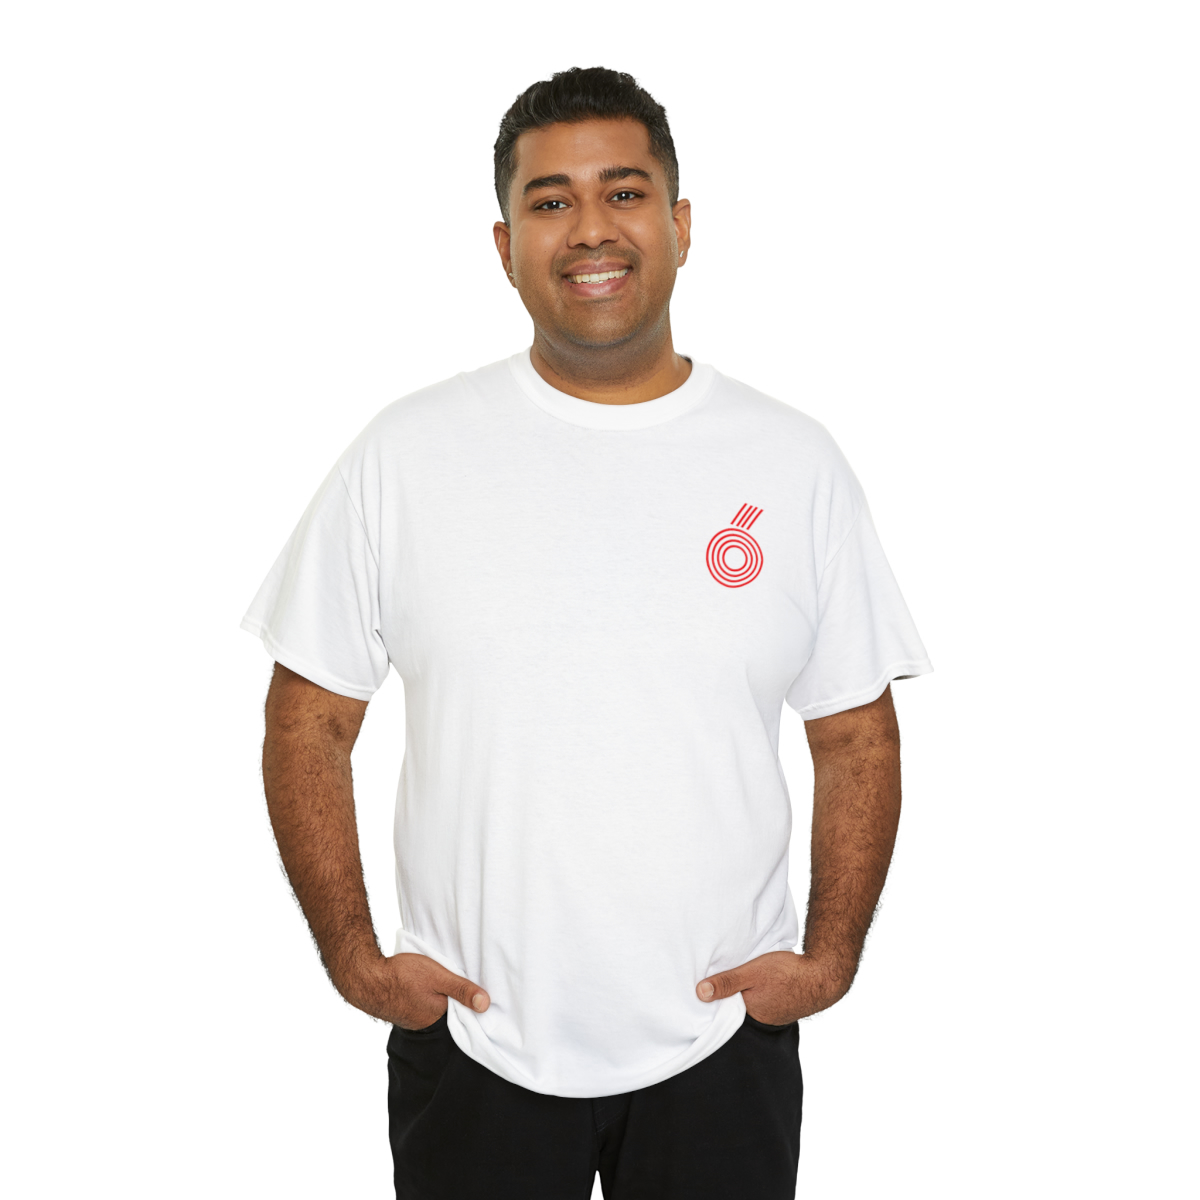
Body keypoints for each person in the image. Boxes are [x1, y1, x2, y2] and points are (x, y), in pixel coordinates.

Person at [242, 66, 931, 1200]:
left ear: (681, 224)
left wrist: (829, 959)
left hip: (722, 1038)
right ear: (505, 244)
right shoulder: (404, 457)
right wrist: (357, 962)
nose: (591, 229)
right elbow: (307, 721)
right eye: (551, 201)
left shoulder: (791, 463)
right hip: (475, 1041)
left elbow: (856, 734)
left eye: (624, 191)